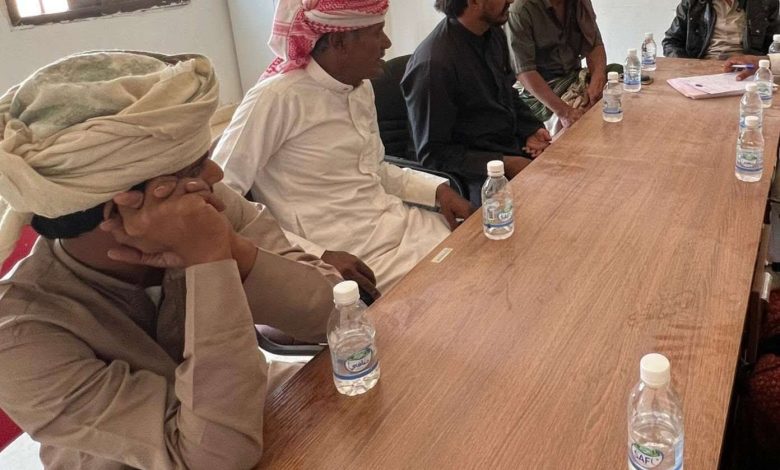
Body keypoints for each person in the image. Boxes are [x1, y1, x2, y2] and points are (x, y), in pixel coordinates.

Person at [0, 51, 341, 469]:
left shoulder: (202, 209)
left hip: (257, 414)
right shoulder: (19, 336)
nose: (215, 176)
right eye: (194, 167)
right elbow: (214, 456)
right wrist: (208, 263)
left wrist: (230, 251)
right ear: (117, 209)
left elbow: (335, 315)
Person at [214, 0, 474, 296]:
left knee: (484, 255)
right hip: (350, 258)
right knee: (457, 296)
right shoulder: (277, 98)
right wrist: (316, 255)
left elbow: (374, 170)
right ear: (339, 42)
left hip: (400, 227)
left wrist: (437, 191)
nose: (386, 43)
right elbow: (221, 199)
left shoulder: (360, 87)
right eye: (377, 33)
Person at [401, 0, 551, 206]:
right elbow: (433, 154)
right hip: (469, 174)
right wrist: (505, 163)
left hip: (506, 149)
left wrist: (531, 130)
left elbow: (507, 93)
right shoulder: (434, 64)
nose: (511, 1)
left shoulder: (493, 34)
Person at [506, 0, 609, 130]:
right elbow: (524, 72)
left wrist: (597, 77)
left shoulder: (580, 3)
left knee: (617, 81)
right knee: (579, 115)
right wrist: (565, 112)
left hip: (572, 77)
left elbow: (594, 44)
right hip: (539, 90)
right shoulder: (520, 10)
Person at [663, 0, 780, 60]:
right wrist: (688, 65)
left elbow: (776, 46)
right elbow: (671, 42)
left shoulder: (765, 2)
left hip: (748, 69)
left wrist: (759, 62)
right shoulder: (693, 2)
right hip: (703, 65)